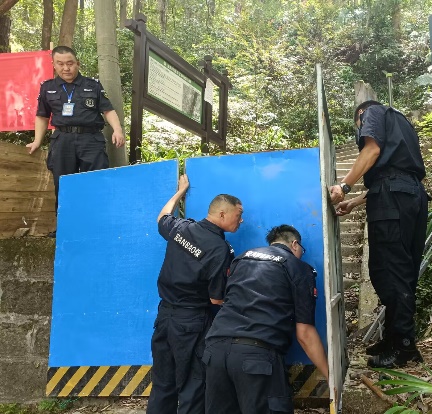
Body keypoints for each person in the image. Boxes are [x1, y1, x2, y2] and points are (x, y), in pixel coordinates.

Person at [329, 100, 428, 368]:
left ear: (360, 114)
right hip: (412, 195)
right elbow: (395, 175)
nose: (360, 131)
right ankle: (396, 339)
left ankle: (404, 347)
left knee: (389, 271)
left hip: (393, 197)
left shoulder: (372, 112)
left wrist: (344, 187)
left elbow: (372, 150)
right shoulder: (402, 123)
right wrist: (356, 202)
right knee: (402, 270)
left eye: (358, 127)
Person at [203, 224, 329, 414]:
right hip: (256, 357)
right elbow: (304, 333)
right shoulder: (298, 268)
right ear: (294, 244)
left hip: (215, 352)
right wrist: (329, 376)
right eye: (301, 251)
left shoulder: (241, 259)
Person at [146, 174, 243, 414]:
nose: (241, 220)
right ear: (222, 214)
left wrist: (180, 192)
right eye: (238, 214)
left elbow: (161, 217)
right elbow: (216, 299)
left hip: (164, 317)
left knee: (163, 383)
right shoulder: (219, 249)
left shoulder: (182, 228)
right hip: (191, 323)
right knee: (193, 384)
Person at [27, 46, 125, 236]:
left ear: (77, 63)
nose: (66, 68)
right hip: (62, 140)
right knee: (64, 184)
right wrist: (37, 141)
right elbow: (42, 116)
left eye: (70, 63)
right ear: (54, 65)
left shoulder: (92, 85)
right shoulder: (48, 87)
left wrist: (117, 130)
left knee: (95, 182)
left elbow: (108, 110)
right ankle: (66, 228)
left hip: (91, 139)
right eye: (61, 64)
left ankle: (97, 226)